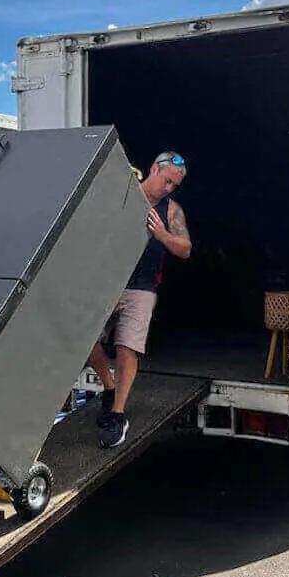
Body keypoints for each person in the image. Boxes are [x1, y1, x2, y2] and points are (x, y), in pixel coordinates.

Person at [88, 151, 191, 448]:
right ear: (153, 169)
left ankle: (117, 414)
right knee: (82, 339)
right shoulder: (124, 193)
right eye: (167, 180)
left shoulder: (170, 210)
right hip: (106, 283)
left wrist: (162, 234)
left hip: (142, 288)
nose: (169, 187)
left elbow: (185, 249)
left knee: (127, 346)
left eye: (174, 185)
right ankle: (108, 387)